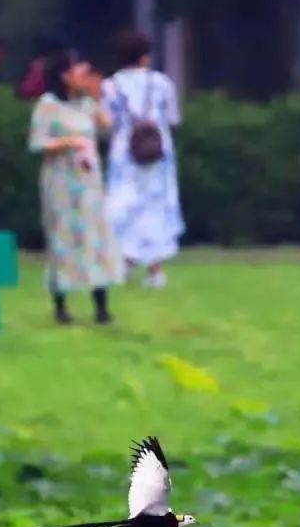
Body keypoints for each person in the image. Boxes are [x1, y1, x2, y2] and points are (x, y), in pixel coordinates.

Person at [28, 50, 124, 325]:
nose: (85, 78)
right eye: (80, 74)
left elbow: (108, 129)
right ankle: (61, 304)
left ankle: (102, 305)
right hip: (60, 179)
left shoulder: (86, 104)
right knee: (62, 235)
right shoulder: (48, 105)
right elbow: (38, 143)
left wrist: (97, 99)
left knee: (96, 235)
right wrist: (68, 142)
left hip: (88, 180)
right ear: (64, 77)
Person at [102, 30, 186, 289]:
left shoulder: (110, 86)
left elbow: (107, 123)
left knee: (122, 208)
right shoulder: (161, 83)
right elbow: (173, 119)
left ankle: (124, 263)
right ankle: (155, 270)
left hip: (124, 155)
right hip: (157, 153)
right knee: (156, 208)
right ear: (145, 56)